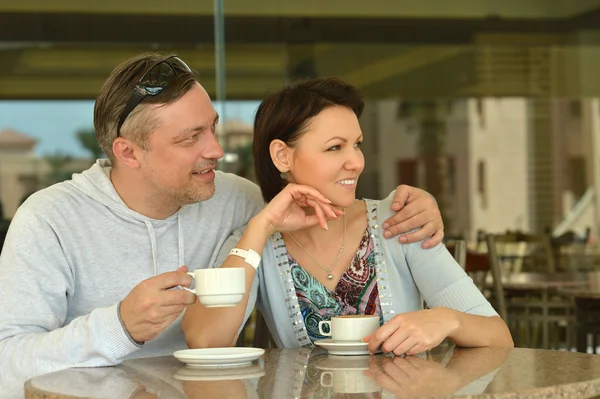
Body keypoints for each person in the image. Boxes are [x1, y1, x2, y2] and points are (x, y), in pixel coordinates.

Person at [0, 54, 444, 395]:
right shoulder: (49, 219)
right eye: (190, 138)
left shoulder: (237, 199)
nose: (216, 150)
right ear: (129, 152)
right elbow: (6, 366)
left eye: (211, 128)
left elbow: (322, 208)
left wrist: (412, 206)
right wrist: (118, 327)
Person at [183, 77, 513, 354]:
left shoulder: (398, 222)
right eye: (335, 147)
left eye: (357, 144)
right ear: (282, 156)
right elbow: (206, 341)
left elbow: (499, 337)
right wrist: (262, 227)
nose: (356, 162)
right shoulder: (251, 245)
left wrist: (446, 319)